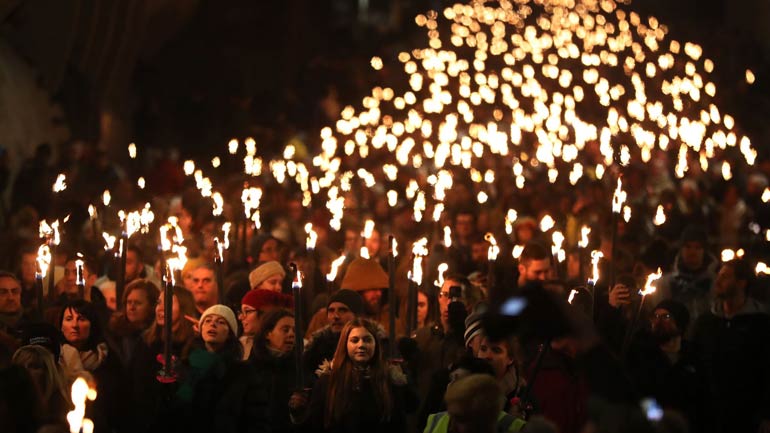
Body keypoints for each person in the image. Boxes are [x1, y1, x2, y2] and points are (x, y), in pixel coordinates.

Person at [690, 259, 770, 433]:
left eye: (725, 277)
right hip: (709, 416)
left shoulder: (761, 324)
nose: (717, 282)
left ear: (741, 282)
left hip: (747, 417)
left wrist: (766, 414)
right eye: (718, 276)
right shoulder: (706, 322)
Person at [292, 318, 412, 432]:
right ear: (345, 344)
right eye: (354, 340)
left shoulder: (388, 380)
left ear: (376, 344)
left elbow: (400, 422)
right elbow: (315, 425)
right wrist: (298, 412)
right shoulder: (328, 381)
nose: (361, 345)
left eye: (367, 340)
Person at [174, 304, 270, 433]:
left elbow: (255, 416)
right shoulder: (186, 367)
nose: (212, 324)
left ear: (230, 333)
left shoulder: (242, 372)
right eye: (208, 321)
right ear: (201, 329)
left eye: (220, 322)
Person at [625, 299, 710, 432]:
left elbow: (703, 397)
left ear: (680, 324)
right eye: (656, 316)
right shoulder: (642, 355)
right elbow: (640, 394)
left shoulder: (694, 356)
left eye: (666, 317)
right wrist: (657, 419)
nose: (658, 322)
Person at [130, 286, 197, 433]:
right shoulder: (146, 342)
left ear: (183, 308)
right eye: (159, 303)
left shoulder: (193, 344)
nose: (160, 309)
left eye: (168, 304)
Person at [57, 299, 122, 432]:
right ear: (61, 326)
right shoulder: (54, 357)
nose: (75, 325)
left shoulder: (106, 359)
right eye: (69, 319)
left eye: (81, 319)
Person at [424, 374, 526, 433]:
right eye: (450, 415)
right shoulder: (436, 421)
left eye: (460, 419)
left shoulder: (514, 428)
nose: (451, 427)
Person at [304, 289, 365, 384]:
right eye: (331, 311)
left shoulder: (369, 344)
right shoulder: (317, 347)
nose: (335, 316)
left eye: (343, 310)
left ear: (356, 315)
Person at [251, 309, 298, 433]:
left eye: (294, 330)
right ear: (268, 333)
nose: (291, 334)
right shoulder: (251, 369)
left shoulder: (299, 367)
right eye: (285, 329)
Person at [656, 225, 717, 319]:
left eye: (697, 247)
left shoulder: (715, 282)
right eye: (688, 247)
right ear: (681, 249)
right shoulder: (666, 282)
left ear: (704, 251)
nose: (692, 251)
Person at [11, 344, 71, 429]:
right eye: (20, 366)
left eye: (33, 366)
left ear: (48, 372)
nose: (25, 371)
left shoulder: (63, 414)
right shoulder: (7, 411)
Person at [107, 279, 159, 368]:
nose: (132, 307)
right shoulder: (115, 333)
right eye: (129, 302)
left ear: (152, 306)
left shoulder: (157, 337)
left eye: (138, 303)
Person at [238, 288, 294, 360]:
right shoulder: (241, 346)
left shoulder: (296, 349)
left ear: (266, 314)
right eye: (241, 312)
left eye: (247, 311)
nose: (240, 317)